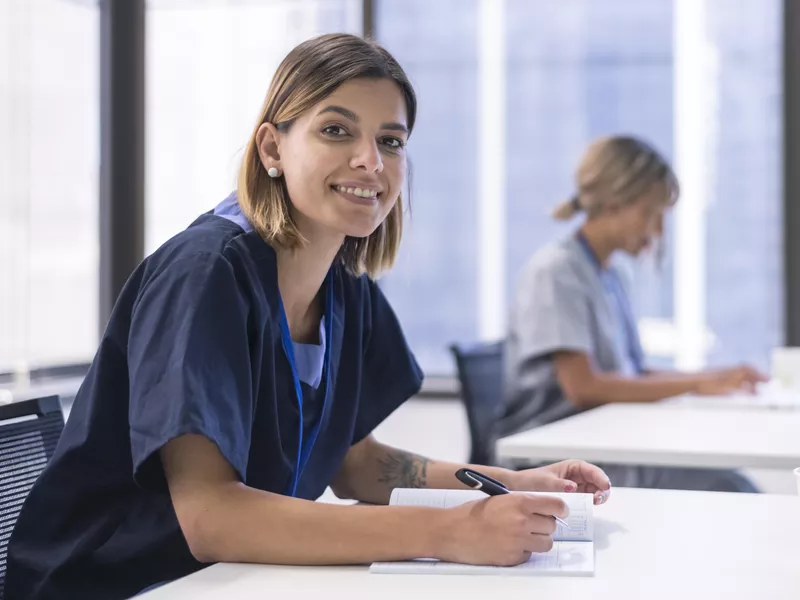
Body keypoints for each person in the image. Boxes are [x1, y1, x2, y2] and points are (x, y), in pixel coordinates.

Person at [6, 34, 611, 600]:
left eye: (391, 141)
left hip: (232, 581)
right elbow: (212, 517)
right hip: (117, 586)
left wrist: (512, 483)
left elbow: (359, 466)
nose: (370, 161)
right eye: (336, 130)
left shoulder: (344, 285)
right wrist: (447, 532)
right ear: (273, 147)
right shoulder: (206, 274)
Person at [502, 135, 767, 492]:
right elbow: (584, 387)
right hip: (557, 463)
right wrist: (697, 382)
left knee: (726, 476)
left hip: (604, 441)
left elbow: (631, 373)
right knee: (732, 488)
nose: (657, 231)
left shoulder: (611, 274)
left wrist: (711, 379)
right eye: (650, 214)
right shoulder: (556, 272)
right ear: (613, 204)